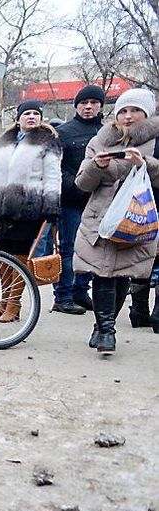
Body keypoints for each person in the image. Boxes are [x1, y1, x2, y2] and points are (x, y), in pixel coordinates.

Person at [74, 88, 159, 353]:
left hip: (137, 217)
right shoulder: (101, 140)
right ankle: (106, 331)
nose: (128, 116)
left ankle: (102, 326)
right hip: (101, 217)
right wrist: (96, 166)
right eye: (123, 110)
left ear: (147, 112)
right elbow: (82, 183)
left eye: (135, 110)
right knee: (102, 271)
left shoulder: (155, 141)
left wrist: (146, 164)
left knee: (123, 274)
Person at [0, 100, 62, 323]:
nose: (31, 117)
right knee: (3, 255)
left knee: (20, 257)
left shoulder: (48, 142)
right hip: (3, 206)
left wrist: (51, 205)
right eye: (26, 113)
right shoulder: (5, 142)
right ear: (18, 118)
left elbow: (52, 176)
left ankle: (15, 304)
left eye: (35, 114)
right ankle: (5, 297)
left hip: (29, 207)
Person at [53, 85, 106, 315]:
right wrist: (75, 184)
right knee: (69, 248)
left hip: (99, 200)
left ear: (100, 106)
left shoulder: (107, 133)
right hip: (70, 200)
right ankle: (63, 295)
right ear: (76, 105)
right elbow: (56, 166)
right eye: (84, 103)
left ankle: (81, 291)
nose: (88, 107)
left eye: (93, 103)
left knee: (93, 247)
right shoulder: (64, 132)